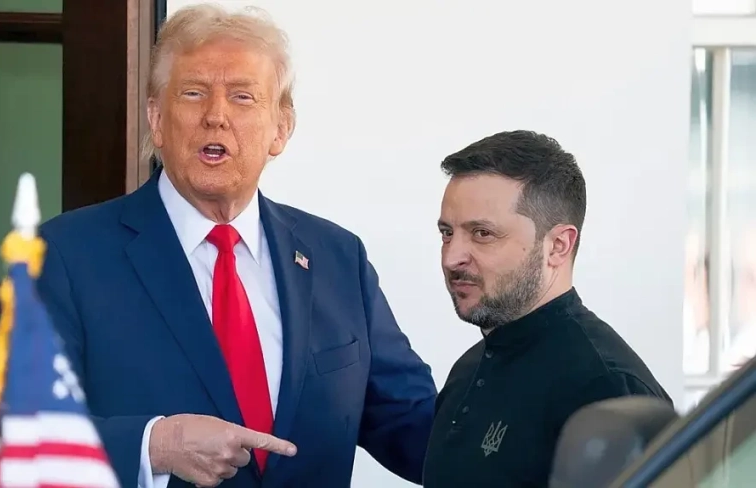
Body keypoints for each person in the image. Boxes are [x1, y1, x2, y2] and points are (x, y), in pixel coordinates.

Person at [33, 4, 436, 488]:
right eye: (193, 93)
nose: (216, 116)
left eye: (243, 97)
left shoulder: (337, 256)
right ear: (156, 119)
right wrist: (156, 446)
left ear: (280, 129)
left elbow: (414, 426)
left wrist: (515, 357)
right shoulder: (68, 254)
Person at [422, 130, 671, 487]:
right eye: (447, 233)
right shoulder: (468, 370)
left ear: (557, 246)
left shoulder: (606, 389)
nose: (452, 257)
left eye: (482, 233)